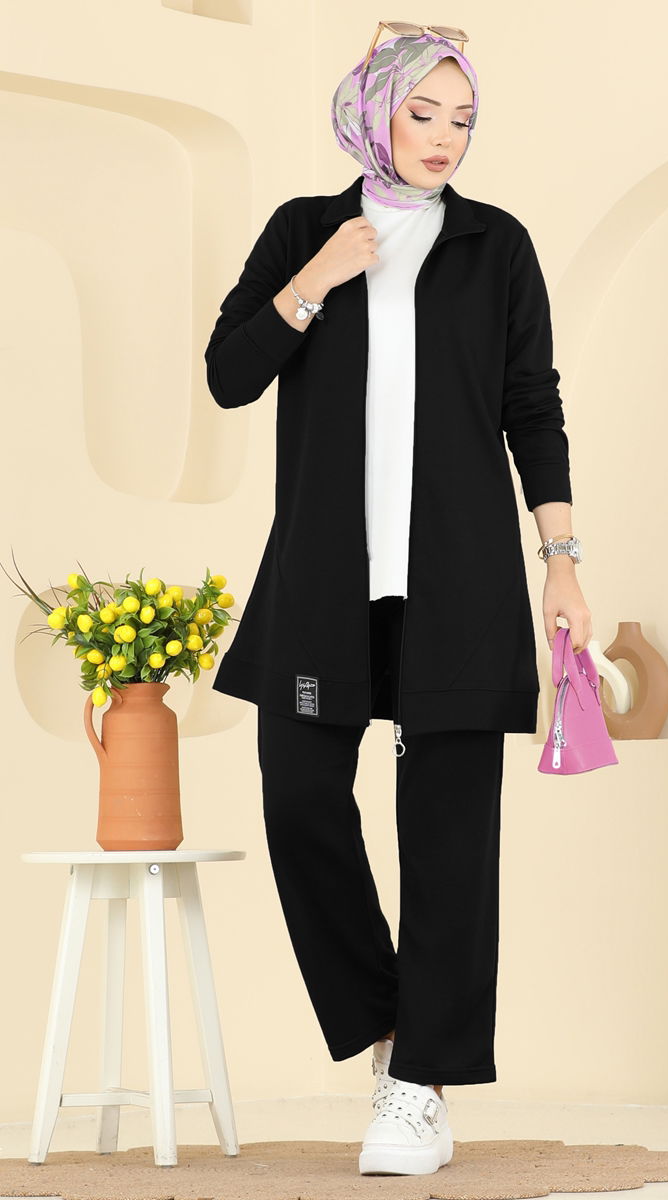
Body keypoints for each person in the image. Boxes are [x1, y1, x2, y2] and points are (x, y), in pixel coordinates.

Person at [204, 24, 592, 1179]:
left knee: (449, 840)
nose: (443, 138)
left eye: (461, 119)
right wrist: (316, 279)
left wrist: (561, 557)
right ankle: (390, 1031)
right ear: (371, 111)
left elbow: (532, 403)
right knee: (298, 801)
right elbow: (228, 376)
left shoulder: (494, 244)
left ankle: (418, 1086)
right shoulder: (302, 230)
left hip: (459, 585)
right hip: (325, 583)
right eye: (422, 113)